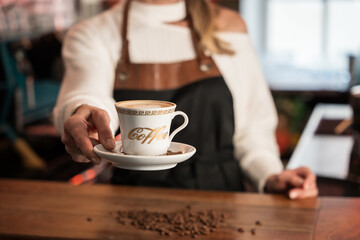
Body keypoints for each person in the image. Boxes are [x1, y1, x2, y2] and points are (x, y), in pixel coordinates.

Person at [53, 0, 318, 199]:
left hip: (225, 201)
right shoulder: (94, 33)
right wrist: (84, 113)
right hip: (132, 203)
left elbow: (253, 130)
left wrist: (271, 176)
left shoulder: (228, 27)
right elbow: (89, 94)